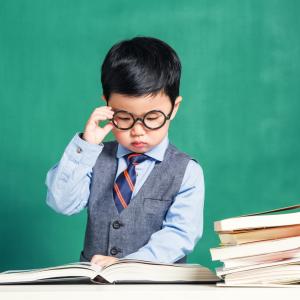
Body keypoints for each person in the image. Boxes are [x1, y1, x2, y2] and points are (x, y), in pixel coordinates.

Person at [45, 36, 204, 267]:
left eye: (151, 118)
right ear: (107, 107)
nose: (138, 131)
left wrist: (127, 265)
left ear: (174, 108)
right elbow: (61, 202)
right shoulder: (93, 157)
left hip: (157, 288)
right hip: (95, 287)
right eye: (123, 117)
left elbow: (180, 235)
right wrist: (86, 147)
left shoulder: (187, 171)